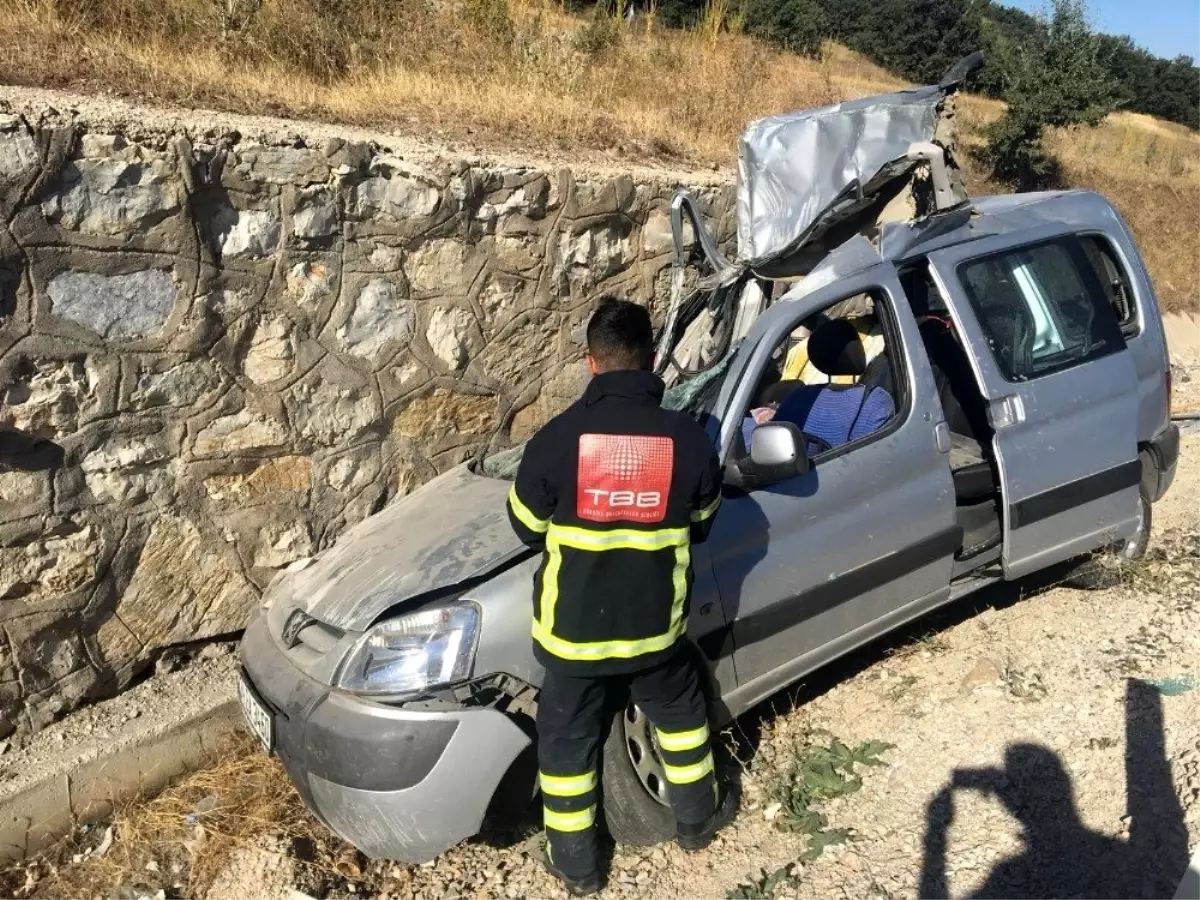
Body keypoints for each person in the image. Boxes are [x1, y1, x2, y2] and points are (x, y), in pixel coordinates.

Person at [506, 297, 736, 896]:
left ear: (591, 364)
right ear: (652, 358)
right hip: (653, 633)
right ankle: (696, 822)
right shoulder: (687, 438)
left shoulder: (556, 440)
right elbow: (705, 519)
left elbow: (525, 528)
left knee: (564, 746)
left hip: (572, 637)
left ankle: (578, 868)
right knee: (682, 718)